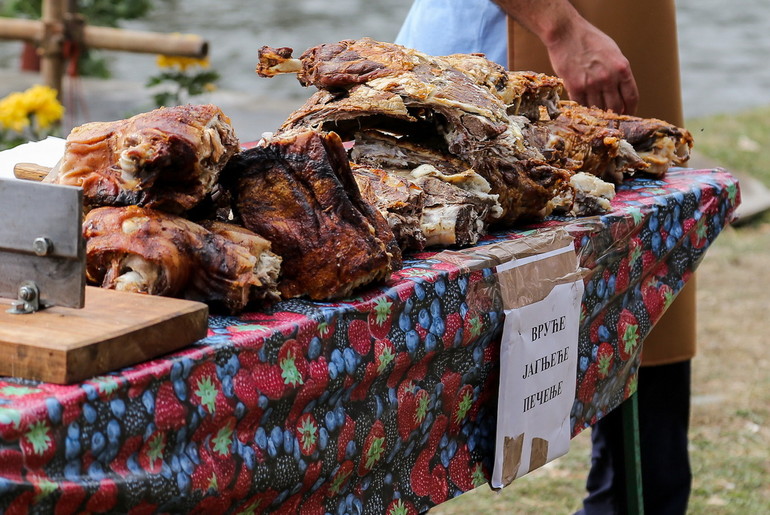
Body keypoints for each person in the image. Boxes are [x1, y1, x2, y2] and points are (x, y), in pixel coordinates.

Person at [396, 2, 694, 514]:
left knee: (646, 351)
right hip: (501, 78)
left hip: (616, 48)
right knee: (425, 400)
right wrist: (563, 29)